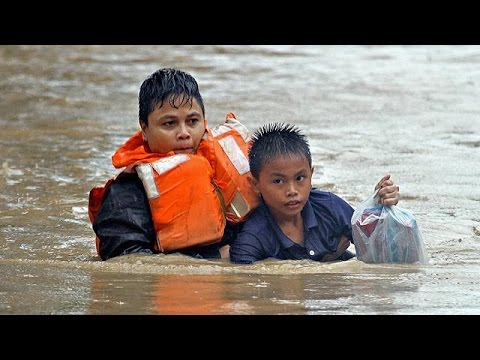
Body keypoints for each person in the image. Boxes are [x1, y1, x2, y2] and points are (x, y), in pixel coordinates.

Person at [88, 68, 257, 261]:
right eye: (169, 124)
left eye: (192, 121)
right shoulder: (126, 195)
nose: (184, 133)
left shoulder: (226, 168)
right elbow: (125, 264)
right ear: (144, 129)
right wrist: (218, 258)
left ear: (205, 122)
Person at [229, 122, 400, 264]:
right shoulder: (254, 237)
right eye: (278, 181)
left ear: (311, 174)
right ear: (255, 185)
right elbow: (241, 279)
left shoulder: (330, 208)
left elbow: (384, 252)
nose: (292, 191)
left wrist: (380, 209)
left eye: (300, 178)